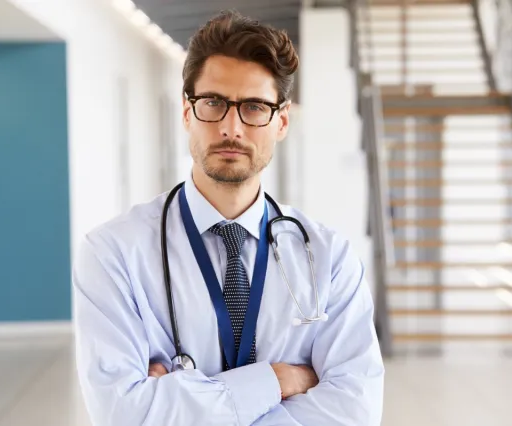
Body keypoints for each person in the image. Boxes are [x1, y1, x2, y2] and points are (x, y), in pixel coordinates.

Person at [72, 10, 384, 426]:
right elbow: (122, 413)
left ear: (282, 120)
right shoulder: (113, 254)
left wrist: (182, 401)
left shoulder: (330, 259)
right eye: (213, 103)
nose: (231, 128)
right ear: (187, 111)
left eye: (254, 107)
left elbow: (354, 411)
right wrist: (276, 380)